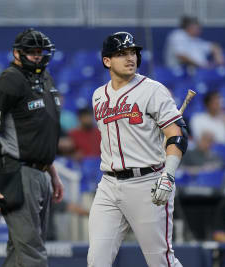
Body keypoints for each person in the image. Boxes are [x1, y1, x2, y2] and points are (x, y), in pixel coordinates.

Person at [87, 31, 187, 267]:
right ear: (107, 60)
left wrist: (168, 175)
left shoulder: (153, 90)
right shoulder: (98, 96)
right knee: (96, 260)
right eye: (122, 53)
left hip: (146, 183)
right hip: (109, 185)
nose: (130, 58)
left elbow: (177, 136)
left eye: (133, 52)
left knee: (161, 262)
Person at [0, 28, 64, 267]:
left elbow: (41, 133)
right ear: (17, 53)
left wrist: (53, 173)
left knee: (19, 251)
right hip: (18, 172)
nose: (37, 56)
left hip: (41, 172)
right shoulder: (10, 80)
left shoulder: (46, 79)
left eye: (41, 51)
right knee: (32, 252)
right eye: (31, 51)